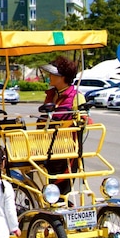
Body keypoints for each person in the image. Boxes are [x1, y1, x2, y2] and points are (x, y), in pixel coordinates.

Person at [39, 56, 86, 194]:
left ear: (63, 77)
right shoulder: (51, 94)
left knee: (59, 189)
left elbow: (84, 120)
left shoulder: (76, 97)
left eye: (53, 74)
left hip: (66, 148)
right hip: (45, 145)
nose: (50, 76)